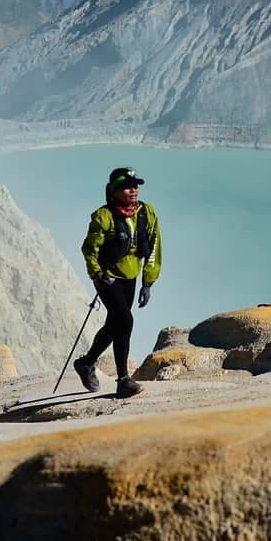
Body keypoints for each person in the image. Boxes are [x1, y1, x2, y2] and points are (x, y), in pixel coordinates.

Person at [74, 167, 162, 398]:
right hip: (108, 278)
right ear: (113, 191)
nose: (133, 190)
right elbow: (89, 250)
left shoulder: (146, 213)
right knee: (125, 321)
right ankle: (123, 380)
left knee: (115, 325)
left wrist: (148, 282)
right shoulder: (103, 217)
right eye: (126, 187)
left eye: (135, 185)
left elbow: (154, 246)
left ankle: (86, 363)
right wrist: (96, 273)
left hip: (130, 277)